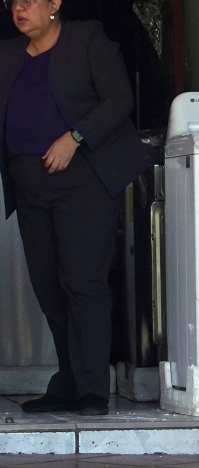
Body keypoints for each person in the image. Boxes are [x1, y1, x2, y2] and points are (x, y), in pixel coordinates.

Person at [0, 0, 150, 415]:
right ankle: (67, 381)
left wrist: (75, 137)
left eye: (29, 0)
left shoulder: (86, 39)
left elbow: (119, 98)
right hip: (30, 188)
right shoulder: (7, 54)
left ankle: (92, 389)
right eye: (14, 2)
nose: (20, 7)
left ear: (54, 5)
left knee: (83, 282)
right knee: (48, 288)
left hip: (84, 181)